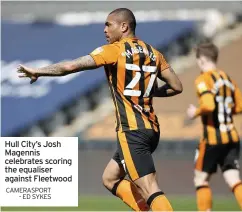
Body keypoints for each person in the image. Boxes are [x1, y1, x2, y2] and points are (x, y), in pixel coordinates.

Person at [17, 8, 183, 211]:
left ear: (124, 26)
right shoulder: (154, 53)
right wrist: (145, 92)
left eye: (108, 24)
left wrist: (39, 71)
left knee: (149, 187)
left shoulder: (114, 50)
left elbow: (70, 67)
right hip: (151, 129)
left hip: (132, 131)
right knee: (110, 178)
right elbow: (176, 86)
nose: (104, 29)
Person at [186, 42, 242, 211]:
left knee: (200, 179)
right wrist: (226, 110)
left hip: (212, 138)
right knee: (233, 179)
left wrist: (196, 112)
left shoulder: (203, 79)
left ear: (201, 60)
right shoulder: (227, 79)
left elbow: (208, 105)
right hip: (231, 136)